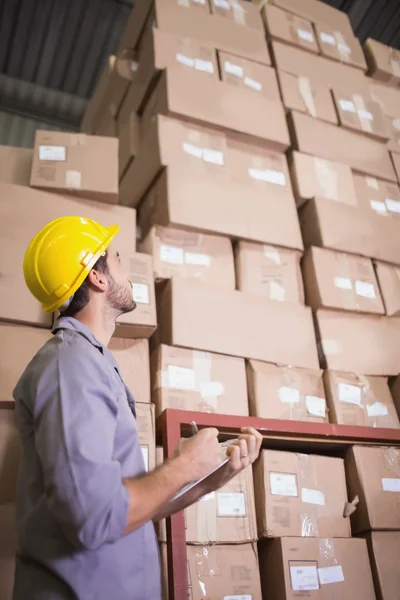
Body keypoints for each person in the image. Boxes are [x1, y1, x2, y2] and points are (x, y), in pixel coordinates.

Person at [12, 216, 263, 600]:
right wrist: (184, 464)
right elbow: (94, 519)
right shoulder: (71, 367)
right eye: (117, 259)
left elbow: (126, 512)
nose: (126, 271)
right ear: (97, 278)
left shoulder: (93, 366)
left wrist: (210, 478)